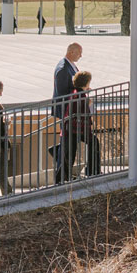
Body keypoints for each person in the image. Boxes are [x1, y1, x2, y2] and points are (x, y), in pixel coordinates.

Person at [60, 71, 102, 176]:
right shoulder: (80, 96)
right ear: (86, 82)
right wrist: (88, 103)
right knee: (92, 143)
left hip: (71, 127)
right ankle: (93, 170)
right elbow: (84, 113)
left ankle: (62, 177)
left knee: (69, 154)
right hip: (77, 128)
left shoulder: (76, 93)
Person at [51, 45, 83, 179]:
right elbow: (62, 92)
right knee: (67, 143)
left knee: (69, 143)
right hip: (67, 111)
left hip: (71, 111)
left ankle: (64, 171)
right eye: (79, 53)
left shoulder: (70, 66)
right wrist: (79, 91)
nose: (81, 56)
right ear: (71, 51)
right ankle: (62, 174)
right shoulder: (63, 68)